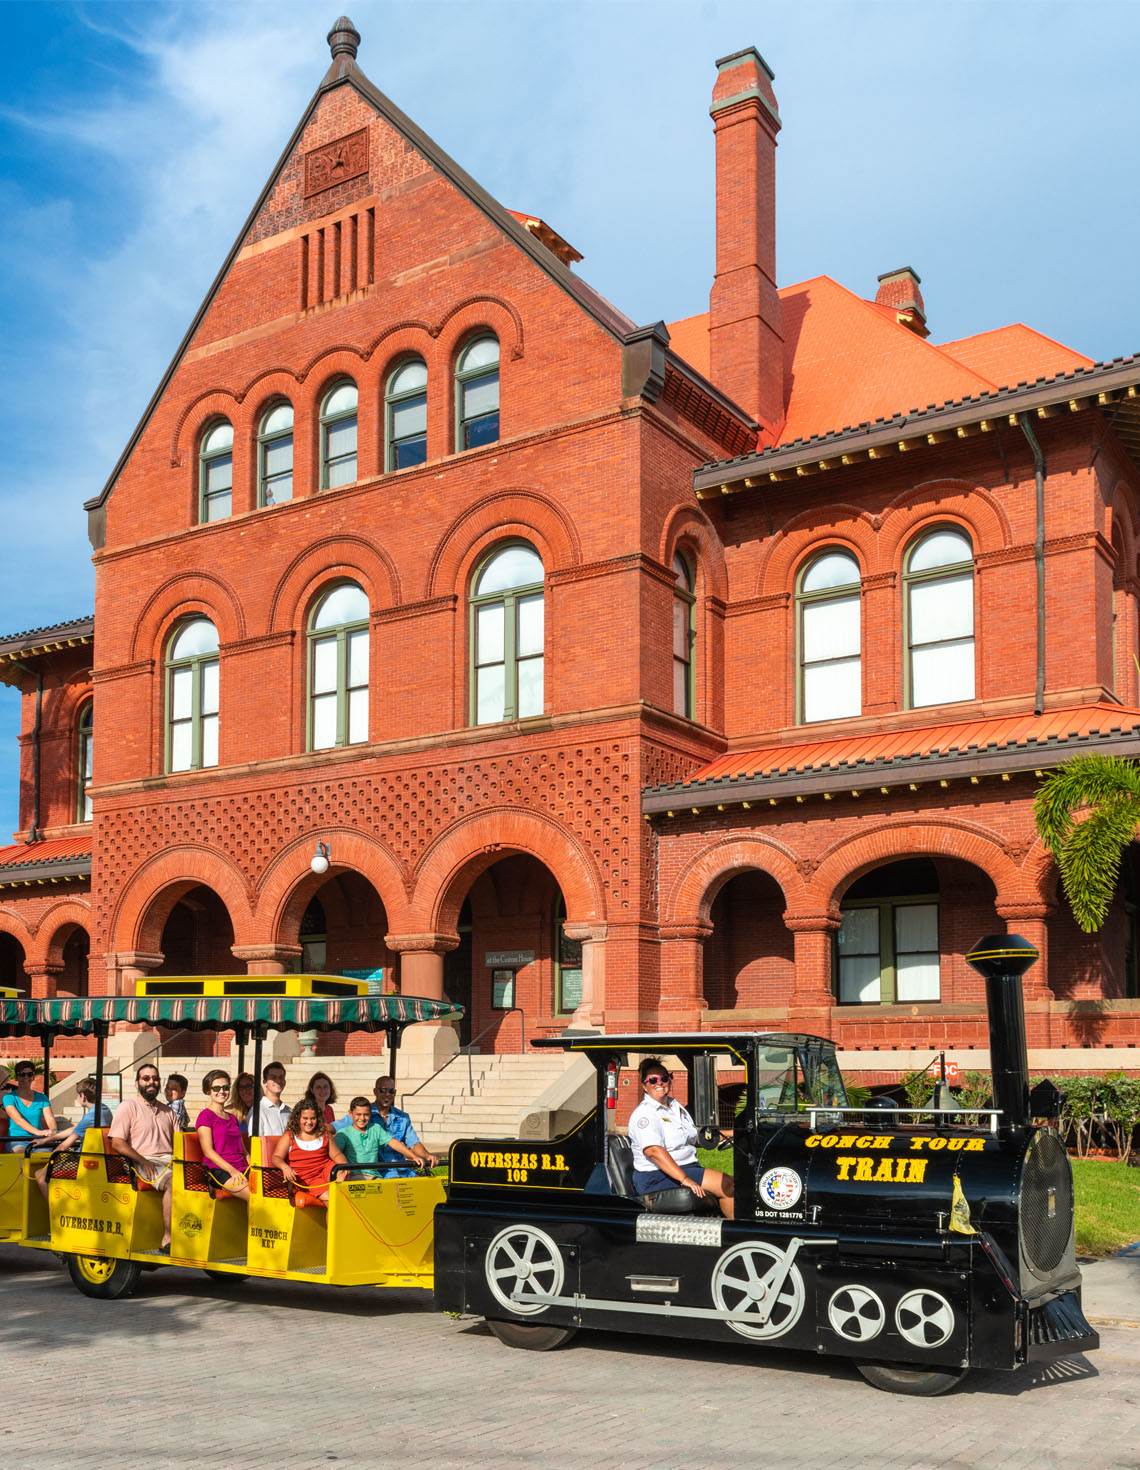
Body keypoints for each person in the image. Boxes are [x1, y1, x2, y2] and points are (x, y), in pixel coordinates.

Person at [628, 1057, 734, 1219]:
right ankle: (736, 1232)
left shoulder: (675, 1107)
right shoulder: (645, 1114)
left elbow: (694, 1138)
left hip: (685, 1168)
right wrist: (685, 1179)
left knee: (735, 1182)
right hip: (656, 1176)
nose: (659, 1083)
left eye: (664, 1078)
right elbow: (654, 1151)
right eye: (653, 1080)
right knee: (727, 1185)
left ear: (670, 1080)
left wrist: (730, 1134)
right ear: (644, 1085)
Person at [107, 1063, 176, 1249]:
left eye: (155, 1078)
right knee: (174, 1182)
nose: (151, 1082)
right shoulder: (128, 1106)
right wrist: (143, 1161)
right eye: (146, 1078)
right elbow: (117, 1143)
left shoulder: (168, 1111)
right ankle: (168, 1238)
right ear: (137, 1083)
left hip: (170, 1161)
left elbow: (179, 1142)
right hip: (144, 1162)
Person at [334, 1076, 436, 1177]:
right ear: (375, 1091)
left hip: (401, 1167)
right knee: (395, 1185)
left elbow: (413, 1143)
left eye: (391, 1091)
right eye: (383, 1090)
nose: (387, 1094)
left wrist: (426, 1155)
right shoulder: (362, 1111)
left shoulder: (402, 1117)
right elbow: (334, 1128)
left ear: (395, 1093)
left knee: (427, 1183)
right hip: (379, 1170)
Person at [35, 1076, 111, 1199]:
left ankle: (54, 1209)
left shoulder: (90, 1116)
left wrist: (51, 1160)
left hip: (85, 1163)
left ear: (83, 1096)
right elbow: (75, 1129)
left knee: (40, 1175)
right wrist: (46, 1139)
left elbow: (64, 1145)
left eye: (77, 1095)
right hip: (101, 1160)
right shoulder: (104, 1110)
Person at [271, 1097, 346, 1205]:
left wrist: (343, 1166)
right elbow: (276, 1157)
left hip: (326, 1169)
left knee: (343, 1181)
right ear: (298, 1118)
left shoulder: (324, 1134)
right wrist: (285, 1167)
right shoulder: (290, 1136)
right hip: (307, 1178)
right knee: (333, 1200)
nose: (309, 1122)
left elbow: (337, 1154)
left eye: (313, 1118)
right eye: (305, 1118)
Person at [334, 1095, 421, 1180]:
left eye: (366, 1115)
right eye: (358, 1114)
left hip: (374, 1176)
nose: (362, 1118)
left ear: (370, 1114)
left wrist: (413, 1156)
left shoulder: (375, 1128)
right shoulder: (343, 1133)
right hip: (354, 1175)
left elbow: (393, 1142)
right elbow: (335, 1155)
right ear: (350, 1113)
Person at [194, 1068, 250, 1200]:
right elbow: (208, 1152)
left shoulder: (233, 1118)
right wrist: (232, 1170)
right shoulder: (205, 1116)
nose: (222, 1091)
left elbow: (243, 1151)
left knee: (268, 1193)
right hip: (219, 1170)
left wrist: (254, 1166)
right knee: (254, 1196)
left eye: (225, 1087)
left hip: (242, 1167)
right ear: (208, 1091)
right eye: (216, 1088)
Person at [2, 1061, 61, 1153]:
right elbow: (18, 1120)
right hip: (17, 1139)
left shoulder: (42, 1098)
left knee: (43, 1155)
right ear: (16, 1077)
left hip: (38, 1139)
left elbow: (50, 1118)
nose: (26, 1077)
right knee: (21, 1153)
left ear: (33, 1077)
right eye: (22, 1074)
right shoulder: (9, 1098)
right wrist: (38, 1132)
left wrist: (53, 1131)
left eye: (29, 1074)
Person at [246, 1063, 291, 1139]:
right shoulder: (256, 1111)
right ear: (265, 1082)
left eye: (281, 1077)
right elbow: (255, 1141)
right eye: (273, 1078)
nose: (278, 1081)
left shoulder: (289, 1112)